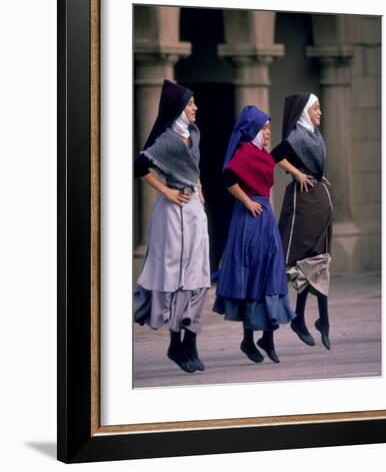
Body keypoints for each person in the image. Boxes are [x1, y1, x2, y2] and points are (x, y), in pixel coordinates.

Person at [133, 79, 210, 373]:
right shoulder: (166, 139)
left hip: (194, 211)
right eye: (191, 104)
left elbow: (195, 167)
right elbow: (139, 167)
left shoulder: (194, 134)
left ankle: (190, 340)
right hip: (173, 212)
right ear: (179, 108)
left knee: (199, 275)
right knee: (177, 277)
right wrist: (166, 192)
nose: (195, 108)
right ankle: (176, 343)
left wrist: (199, 186)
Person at [213, 106, 296, 364]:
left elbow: (278, 157)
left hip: (266, 219)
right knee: (251, 276)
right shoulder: (245, 153)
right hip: (249, 222)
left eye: (269, 127)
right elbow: (227, 178)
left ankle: (267, 339)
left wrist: (298, 171)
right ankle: (248, 339)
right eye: (265, 128)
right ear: (253, 130)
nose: (269, 132)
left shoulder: (260, 153)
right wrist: (247, 202)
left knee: (271, 274)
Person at [271, 92, 333, 350]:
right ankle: (314, 320)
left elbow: (314, 162)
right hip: (304, 203)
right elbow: (275, 155)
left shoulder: (314, 135)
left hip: (319, 200)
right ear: (305, 111)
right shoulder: (296, 136)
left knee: (320, 259)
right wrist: (298, 173)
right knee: (309, 259)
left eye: (319, 108)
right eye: (316, 108)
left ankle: (318, 320)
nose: (320, 112)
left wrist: (318, 176)